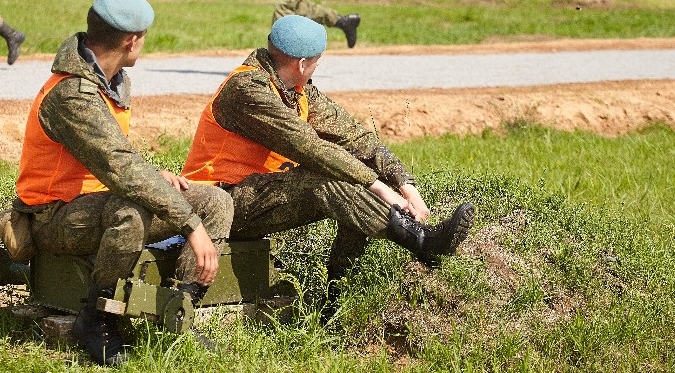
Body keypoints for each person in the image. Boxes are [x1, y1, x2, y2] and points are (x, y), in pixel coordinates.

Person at [181, 15, 475, 300]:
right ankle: (422, 242)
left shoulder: (295, 88)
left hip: (257, 194)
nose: (319, 65)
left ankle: (339, 289)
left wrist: (404, 184)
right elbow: (310, 148)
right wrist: (381, 188)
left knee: (348, 174)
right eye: (318, 59)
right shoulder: (247, 90)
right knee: (325, 179)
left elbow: (355, 138)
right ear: (302, 63)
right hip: (220, 203)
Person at [12, 0, 233, 365]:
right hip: (52, 217)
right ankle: (96, 320)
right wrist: (190, 226)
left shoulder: (109, 80)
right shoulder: (73, 94)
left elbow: (117, 157)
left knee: (214, 200)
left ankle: (179, 311)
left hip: (94, 201)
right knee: (131, 208)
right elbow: (121, 167)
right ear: (132, 40)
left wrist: (155, 175)